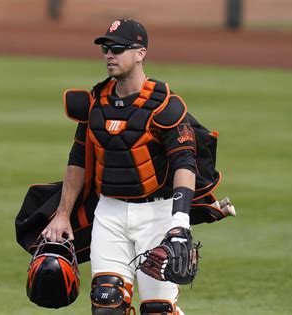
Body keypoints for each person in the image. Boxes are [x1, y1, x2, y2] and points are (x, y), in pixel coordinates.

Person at [41, 18, 234, 315]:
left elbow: (185, 162)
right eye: (106, 48)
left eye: (118, 49)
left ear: (140, 53)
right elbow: (78, 158)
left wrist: (180, 222)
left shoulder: (164, 105)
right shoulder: (95, 104)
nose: (109, 55)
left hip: (157, 215)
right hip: (109, 215)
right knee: (106, 302)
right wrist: (62, 214)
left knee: (158, 309)